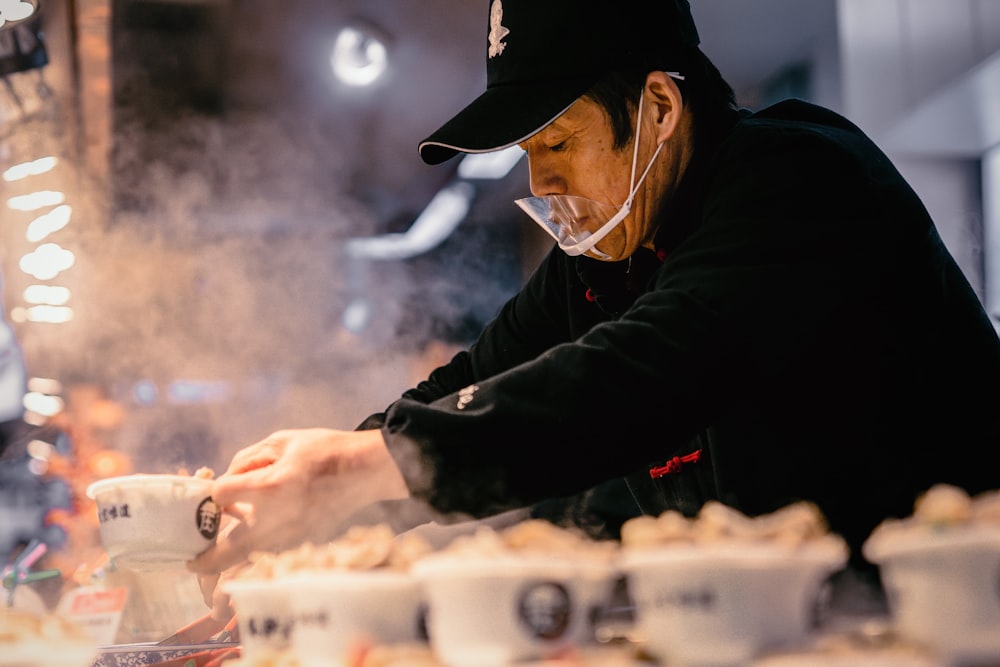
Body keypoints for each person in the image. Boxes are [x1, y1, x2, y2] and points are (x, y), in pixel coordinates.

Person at [189, 0, 1000, 615]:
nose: (538, 185)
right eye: (527, 155)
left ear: (656, 109)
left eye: (555, 143)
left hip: (951, 616)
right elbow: (476, 380)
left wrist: (357, 469)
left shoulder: (799, 179)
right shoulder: (605, 257)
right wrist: (305, 507)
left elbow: (645, 369)